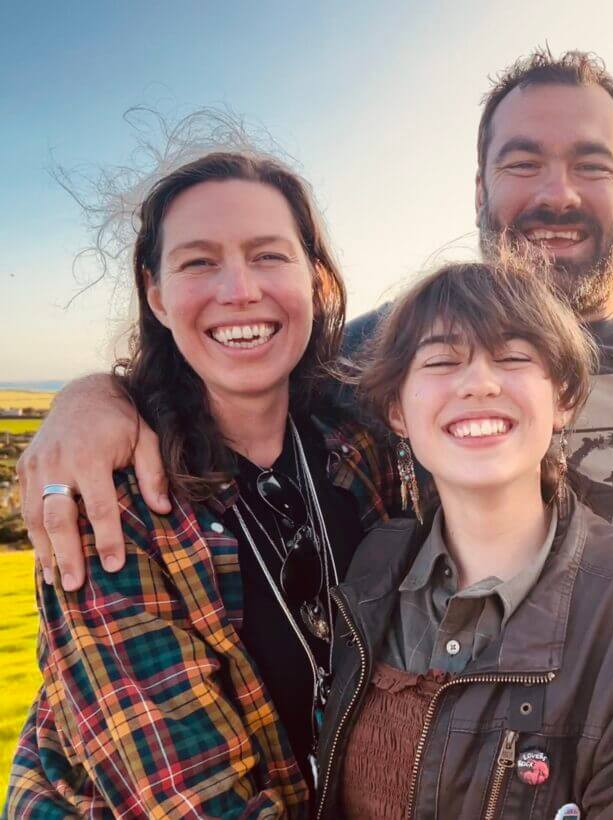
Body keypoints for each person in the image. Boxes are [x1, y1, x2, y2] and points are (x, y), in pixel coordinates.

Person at [18, 48, 613, 593]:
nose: (558, 194)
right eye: (522, 164)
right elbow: (229, 383)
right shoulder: (371, 349)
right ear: (480, 186)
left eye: (593, 165)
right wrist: (95, 401)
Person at [5, 150, 395, 815]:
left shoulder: (360, 444)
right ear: (156, 295)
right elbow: (190, 800)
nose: (240, 289)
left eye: (270, 255)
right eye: (198, 261)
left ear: (317, 281)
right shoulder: (109, 498)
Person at [312, 256, 613, 819]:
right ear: (397, 409)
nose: (478, 383)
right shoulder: (368, 574)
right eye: (443, 360)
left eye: (514, 357)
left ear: (564, 398)